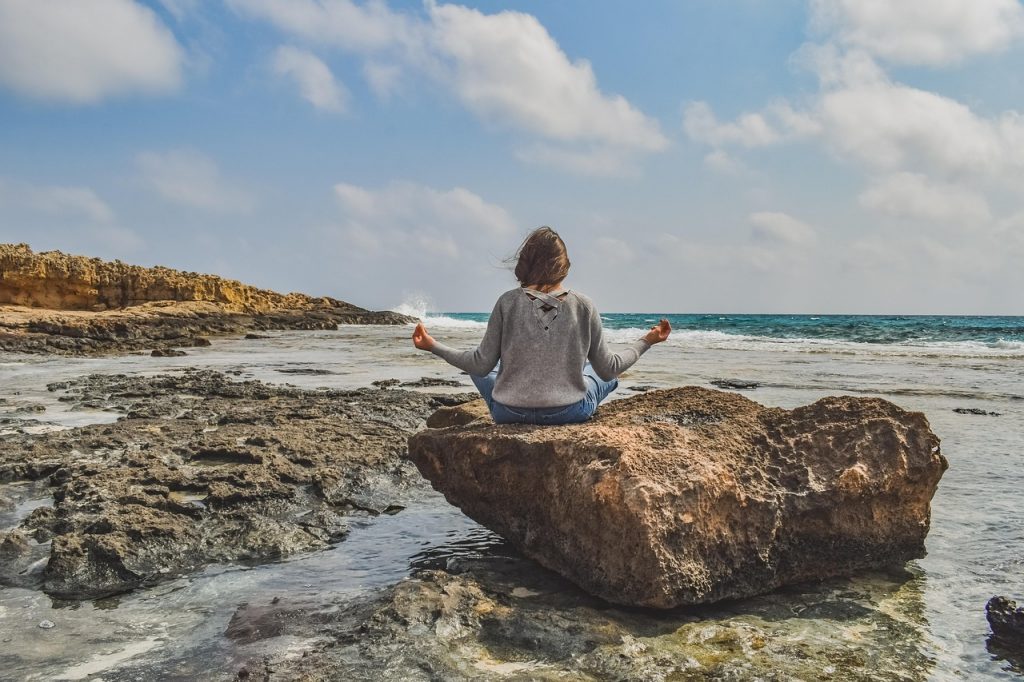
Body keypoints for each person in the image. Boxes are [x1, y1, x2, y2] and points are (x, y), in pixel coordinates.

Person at [411, 226, 671, 425]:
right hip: (569, 412)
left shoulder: (506, 302)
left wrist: (432, 345)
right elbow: (610, 367)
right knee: (600, 373)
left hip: (508, 413)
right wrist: (647, 340)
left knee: (478, 365)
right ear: (563, 265)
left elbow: (480, 365)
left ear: (525, 262)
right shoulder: (583, 305)